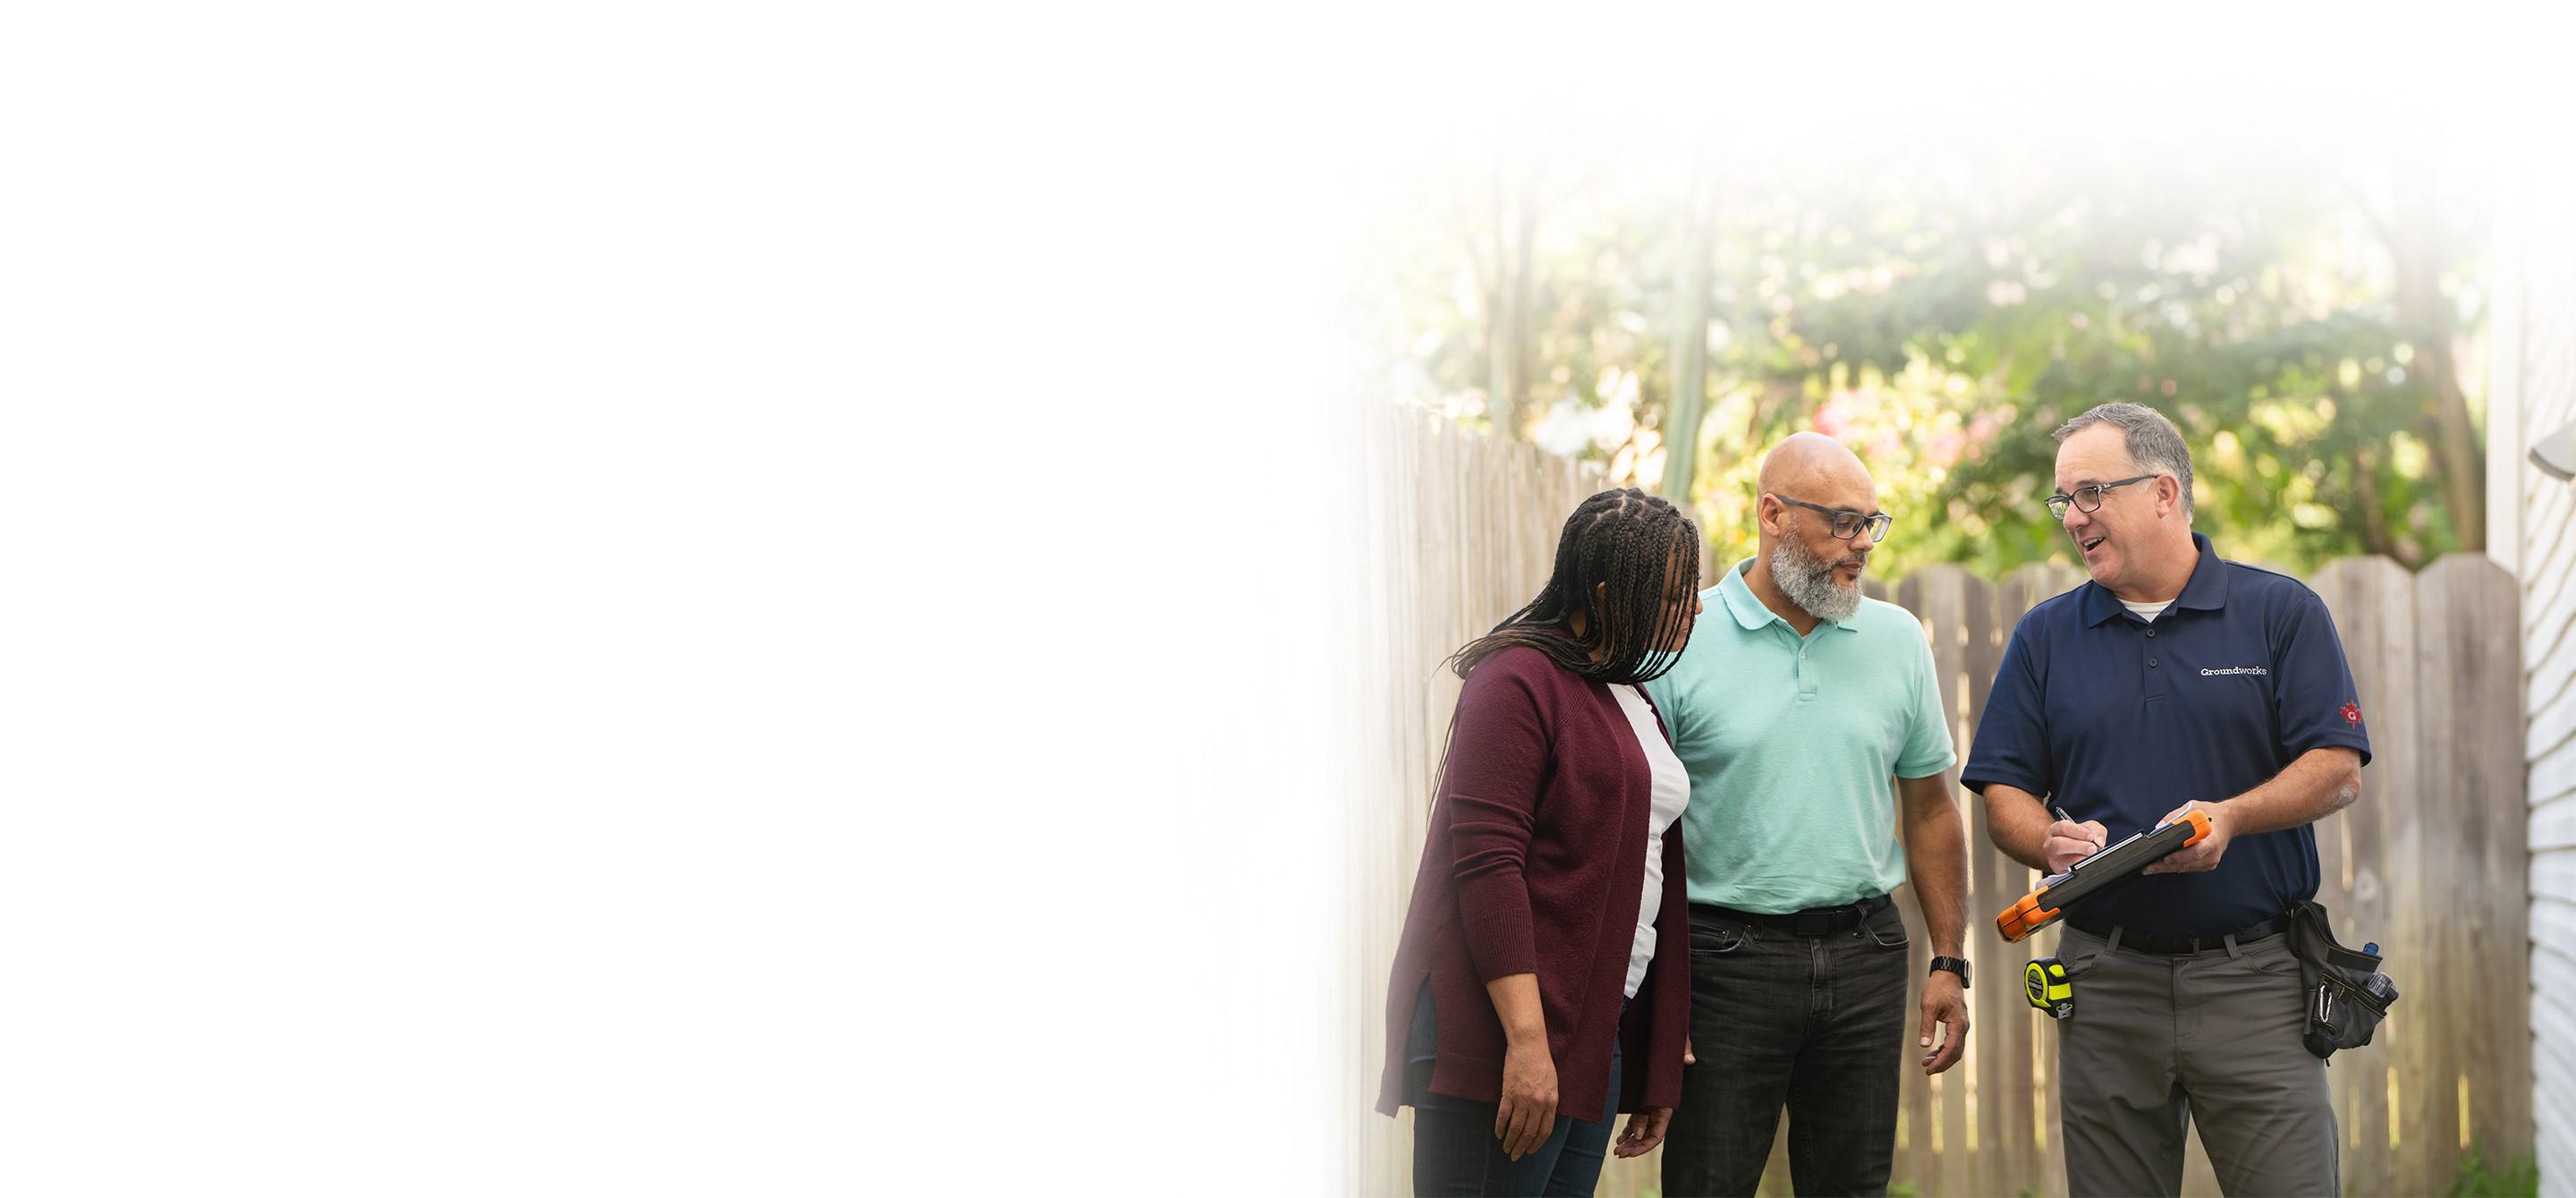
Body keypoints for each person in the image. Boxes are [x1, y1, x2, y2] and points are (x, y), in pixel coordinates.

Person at [1962, 402, 2369, 1197]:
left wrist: (2233, 816)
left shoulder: (2279, 612)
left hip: (2255, 979)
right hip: (2103, 982)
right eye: (2063, 500)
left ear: (2162, 491)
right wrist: (2048, 840)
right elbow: (2004, 791)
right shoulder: (2045, 637)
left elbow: (2338, 765)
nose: (2072, 518)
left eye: (2089, 494)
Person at [1648, 432, 1971, 1198]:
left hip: (1865, 955)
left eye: (1871, 523)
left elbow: (1930, 812)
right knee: (1707, 1182)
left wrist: (1948, 960)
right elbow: (1642, 831)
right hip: (1722, 964)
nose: (1861, 546)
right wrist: (1660, 994)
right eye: (1842, 523)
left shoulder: (1896, 639)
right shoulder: (1682, 637)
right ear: (1772, 514)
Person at [1377, 487, 1703, 1196]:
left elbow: (1642, 879)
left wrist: (1648, 1051)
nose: (1695, 608)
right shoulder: (1516, 680)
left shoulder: (1626, 692)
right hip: (1504, 1037)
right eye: (1677, 593)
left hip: (1589, 1034)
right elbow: (1488, 866)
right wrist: (1527, 1044)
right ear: (1612, 591)